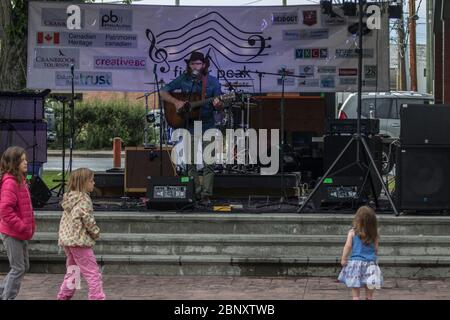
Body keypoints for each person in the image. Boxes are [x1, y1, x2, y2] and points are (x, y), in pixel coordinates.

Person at [160, 51, 223, 205]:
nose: (196, 66)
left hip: (208, 124)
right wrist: (176, 102)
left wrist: (219, 104)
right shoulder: (184, 79)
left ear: (204, 65)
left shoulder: (213, 82)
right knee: (190, 162)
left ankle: (206, 195)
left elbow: (220, 106)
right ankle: (195, 192)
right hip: (190, 126)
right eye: (193, 63)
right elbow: (163, 92)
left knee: (209, 162)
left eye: (199, 64)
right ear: (189, 65)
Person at [57, 168, 105, 300]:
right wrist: (96, 232)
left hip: (68, 241)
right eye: (91, 180)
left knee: (73, 271)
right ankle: (97, 297)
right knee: (93, 273)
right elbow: (87, 220)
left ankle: (64, 296)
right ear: (83, 183)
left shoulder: (70, 198)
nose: (93, 183)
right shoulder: (83, 199)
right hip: (80, 241)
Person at [0, 146, 35, 300]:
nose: (26, 162)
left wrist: (28, 227)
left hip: (21, 233)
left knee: (23, 266)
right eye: (22, 160)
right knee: (18, 268)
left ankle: (2, 291)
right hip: (12, 233)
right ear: (14, 163)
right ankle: (8, 297)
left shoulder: (20, 180)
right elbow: (5, 210)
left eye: (25, 159)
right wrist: (22, 226)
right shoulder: (10, 183)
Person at [338, 206, 383, 300]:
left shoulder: (352, 232)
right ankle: (368, 298)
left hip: (356, 263)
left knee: (355, 288)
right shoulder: (374, 233)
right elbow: (376, 248)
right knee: (369, 287)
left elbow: (348, 246)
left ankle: (356, 298)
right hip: (371, 264)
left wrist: (343, 258)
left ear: (357, 219)